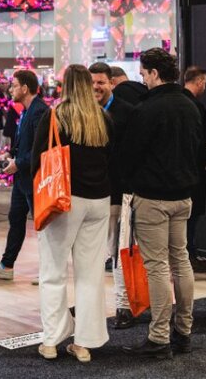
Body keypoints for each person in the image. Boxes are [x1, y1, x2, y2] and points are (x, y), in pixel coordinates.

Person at [121, 48, 201, 359]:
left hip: (153, 198)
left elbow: (130, 154)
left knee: (156, 267)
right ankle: (184, 332)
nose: (142, 79)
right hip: (183, 196)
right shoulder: (190, 105)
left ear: (154, 73)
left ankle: (158, 337)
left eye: (143, 73)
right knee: (181, 262)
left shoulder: (147, 109)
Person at [30, 64, 112, 362]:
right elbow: (112, 159)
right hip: (99, 200)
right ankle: (85, 344)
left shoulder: (56, 115)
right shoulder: (102, 117)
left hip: (65, 200)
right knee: (90, 274)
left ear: (64, 84)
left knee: (53, 271)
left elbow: (38, 159)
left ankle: (51, 341)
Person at [0, 69, 49, 280]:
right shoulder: (27, 110)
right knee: (16, 218)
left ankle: (48, 269)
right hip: (23, 178)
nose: (10, 89)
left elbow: (42, 148)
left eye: (13, 85)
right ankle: (6, 265)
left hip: (34, 178)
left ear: (25, 88)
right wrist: (13, 157)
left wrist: (18, 163)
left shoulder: (39, 111)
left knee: (43, 225)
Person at [88, 61, 137, 329]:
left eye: (101, 82)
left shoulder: (126, 113)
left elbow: (128, 156)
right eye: (93, 82)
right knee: (92, 255)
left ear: (111, 83)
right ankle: (91, 305)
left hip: (118, 195)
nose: (96, 87)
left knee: (118, 253)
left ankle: (123, 306)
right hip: (88, 197)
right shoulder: (85, 113)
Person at [181, 66, 206, 273]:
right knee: (191, 217)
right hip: (194, 172)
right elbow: (200, 140)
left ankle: (187, 254)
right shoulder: (196, 107)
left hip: (181, 172)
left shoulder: (180, 103)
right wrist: (205, 159)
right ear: (200, 81)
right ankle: (190, 255)